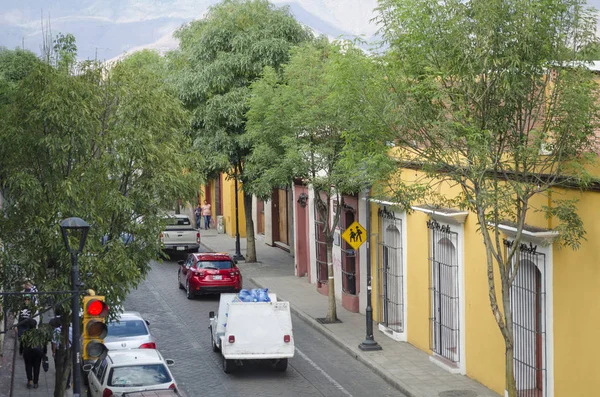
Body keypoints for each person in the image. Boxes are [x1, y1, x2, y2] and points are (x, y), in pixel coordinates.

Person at [21, 318, 46, 389]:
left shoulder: (25, 332)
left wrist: (21, 351)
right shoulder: (40, 333)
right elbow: (43, 343)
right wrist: (44, 352)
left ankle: (30, 380)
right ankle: (35, 382)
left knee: (28, 366)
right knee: (37, 367)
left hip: (28, 352)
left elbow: (22, 343)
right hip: (38, 353)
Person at [50, 317, 72, 389]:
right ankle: (67, 383)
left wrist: (53, 352)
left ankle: (60, 382)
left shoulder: (56, 330)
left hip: (59, 351)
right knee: (67, 367)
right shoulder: (71, 329)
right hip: (69, 350)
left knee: (59, 367)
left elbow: (54, 343)